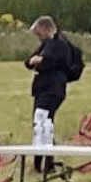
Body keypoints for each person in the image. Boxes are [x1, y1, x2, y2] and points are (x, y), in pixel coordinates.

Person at [24, 15, 74, 173]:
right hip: (41, 90)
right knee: (41, 125)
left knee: (44, 124)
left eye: (39, 33)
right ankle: (41, 162)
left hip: (53, 90)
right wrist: (34, 61)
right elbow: (28, 61)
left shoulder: (60, 45)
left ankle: (45, 162)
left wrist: (41, 61)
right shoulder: (45, 45)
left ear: (46, 29)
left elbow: (56, 63)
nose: (38, 37)